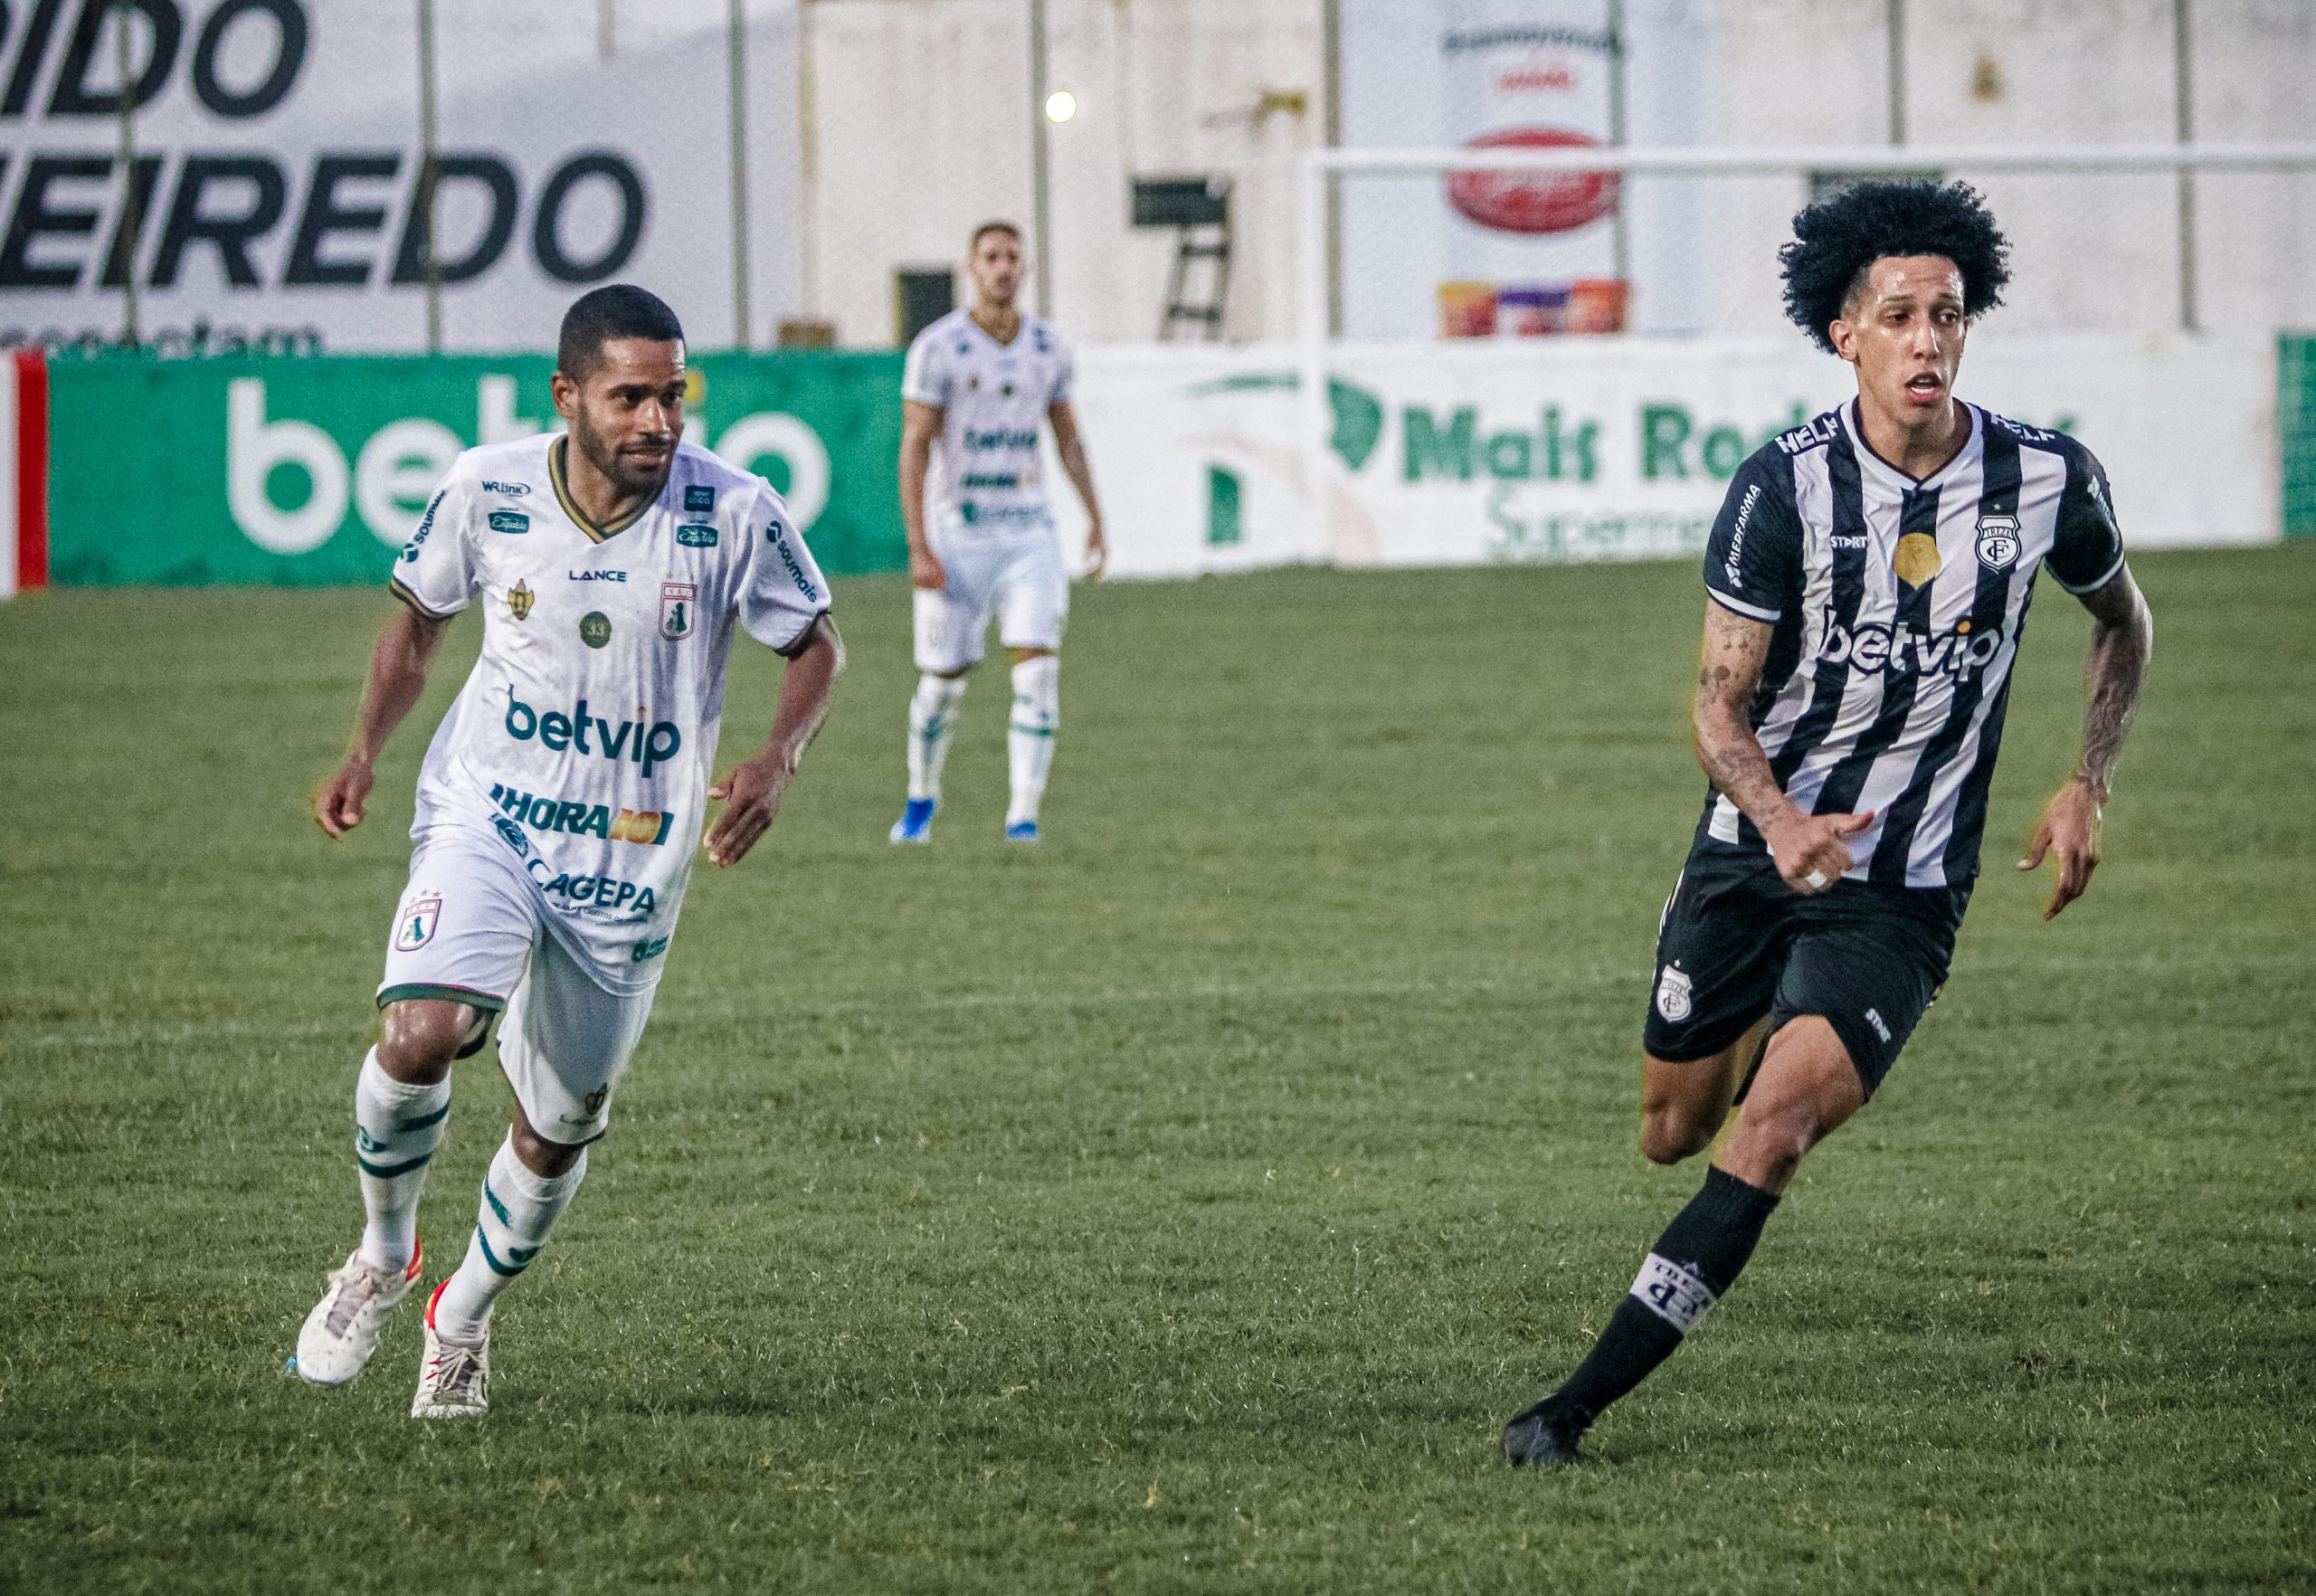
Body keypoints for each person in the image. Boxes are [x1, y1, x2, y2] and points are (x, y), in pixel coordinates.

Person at [1500, 181, 2153, 1467]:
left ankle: (1567, 1413)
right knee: (1667, 1132)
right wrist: (1784, 819)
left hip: (1902, 892)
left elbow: (2125, 620)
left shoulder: (2044, 479)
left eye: (1948, 316)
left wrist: (2091, 778)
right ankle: (1769, 1018)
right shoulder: (1780, 493)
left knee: (1772, 1130)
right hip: (1754, 857)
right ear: (1844, 334)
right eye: (1899, 316)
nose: (1928, 340)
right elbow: (1716, 704)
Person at [291, 284, 843, 1419]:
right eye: (629, 396)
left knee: (556, 1130)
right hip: (488, 810)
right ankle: (383, 1255)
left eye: (671, 396)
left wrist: (780, 758)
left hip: (634, 851)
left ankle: (464, 1315)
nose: (657, 420)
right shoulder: (483, 485)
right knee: (422, 1032)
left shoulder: (733, 510)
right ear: (568, 396)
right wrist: (363, 752)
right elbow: (416, 624)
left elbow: (817, 643)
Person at [888, 221, 1106, 845]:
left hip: (1029, 535)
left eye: (1012, 256)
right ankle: (921, 802)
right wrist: (919, 544)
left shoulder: (1047, 347)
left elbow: (1067, 438)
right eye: (991, 257)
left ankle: (1023, 818)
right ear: (972, 267)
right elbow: (915, 448)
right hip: (957, 538)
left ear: (1024, 267)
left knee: (1037, 673)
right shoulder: (938, 348)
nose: (1003, 267)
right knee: (941, 685)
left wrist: (1095, 516)